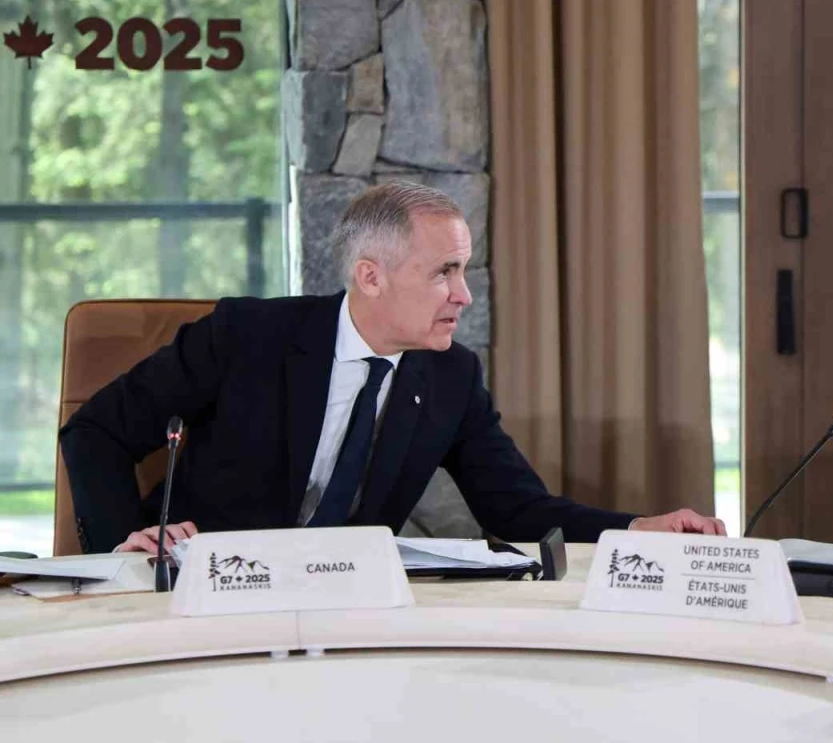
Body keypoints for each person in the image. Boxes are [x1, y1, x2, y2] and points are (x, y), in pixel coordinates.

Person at [62, 183, 724, 554]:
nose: (464, 296)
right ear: (370, 276)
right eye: (444, 273)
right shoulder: (246, 336)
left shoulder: (451, 377)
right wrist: (128, 549)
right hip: (202, 596)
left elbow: (519, 509)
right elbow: (95, 432)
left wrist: (638, 529)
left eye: (463, 271)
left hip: (345, 613)